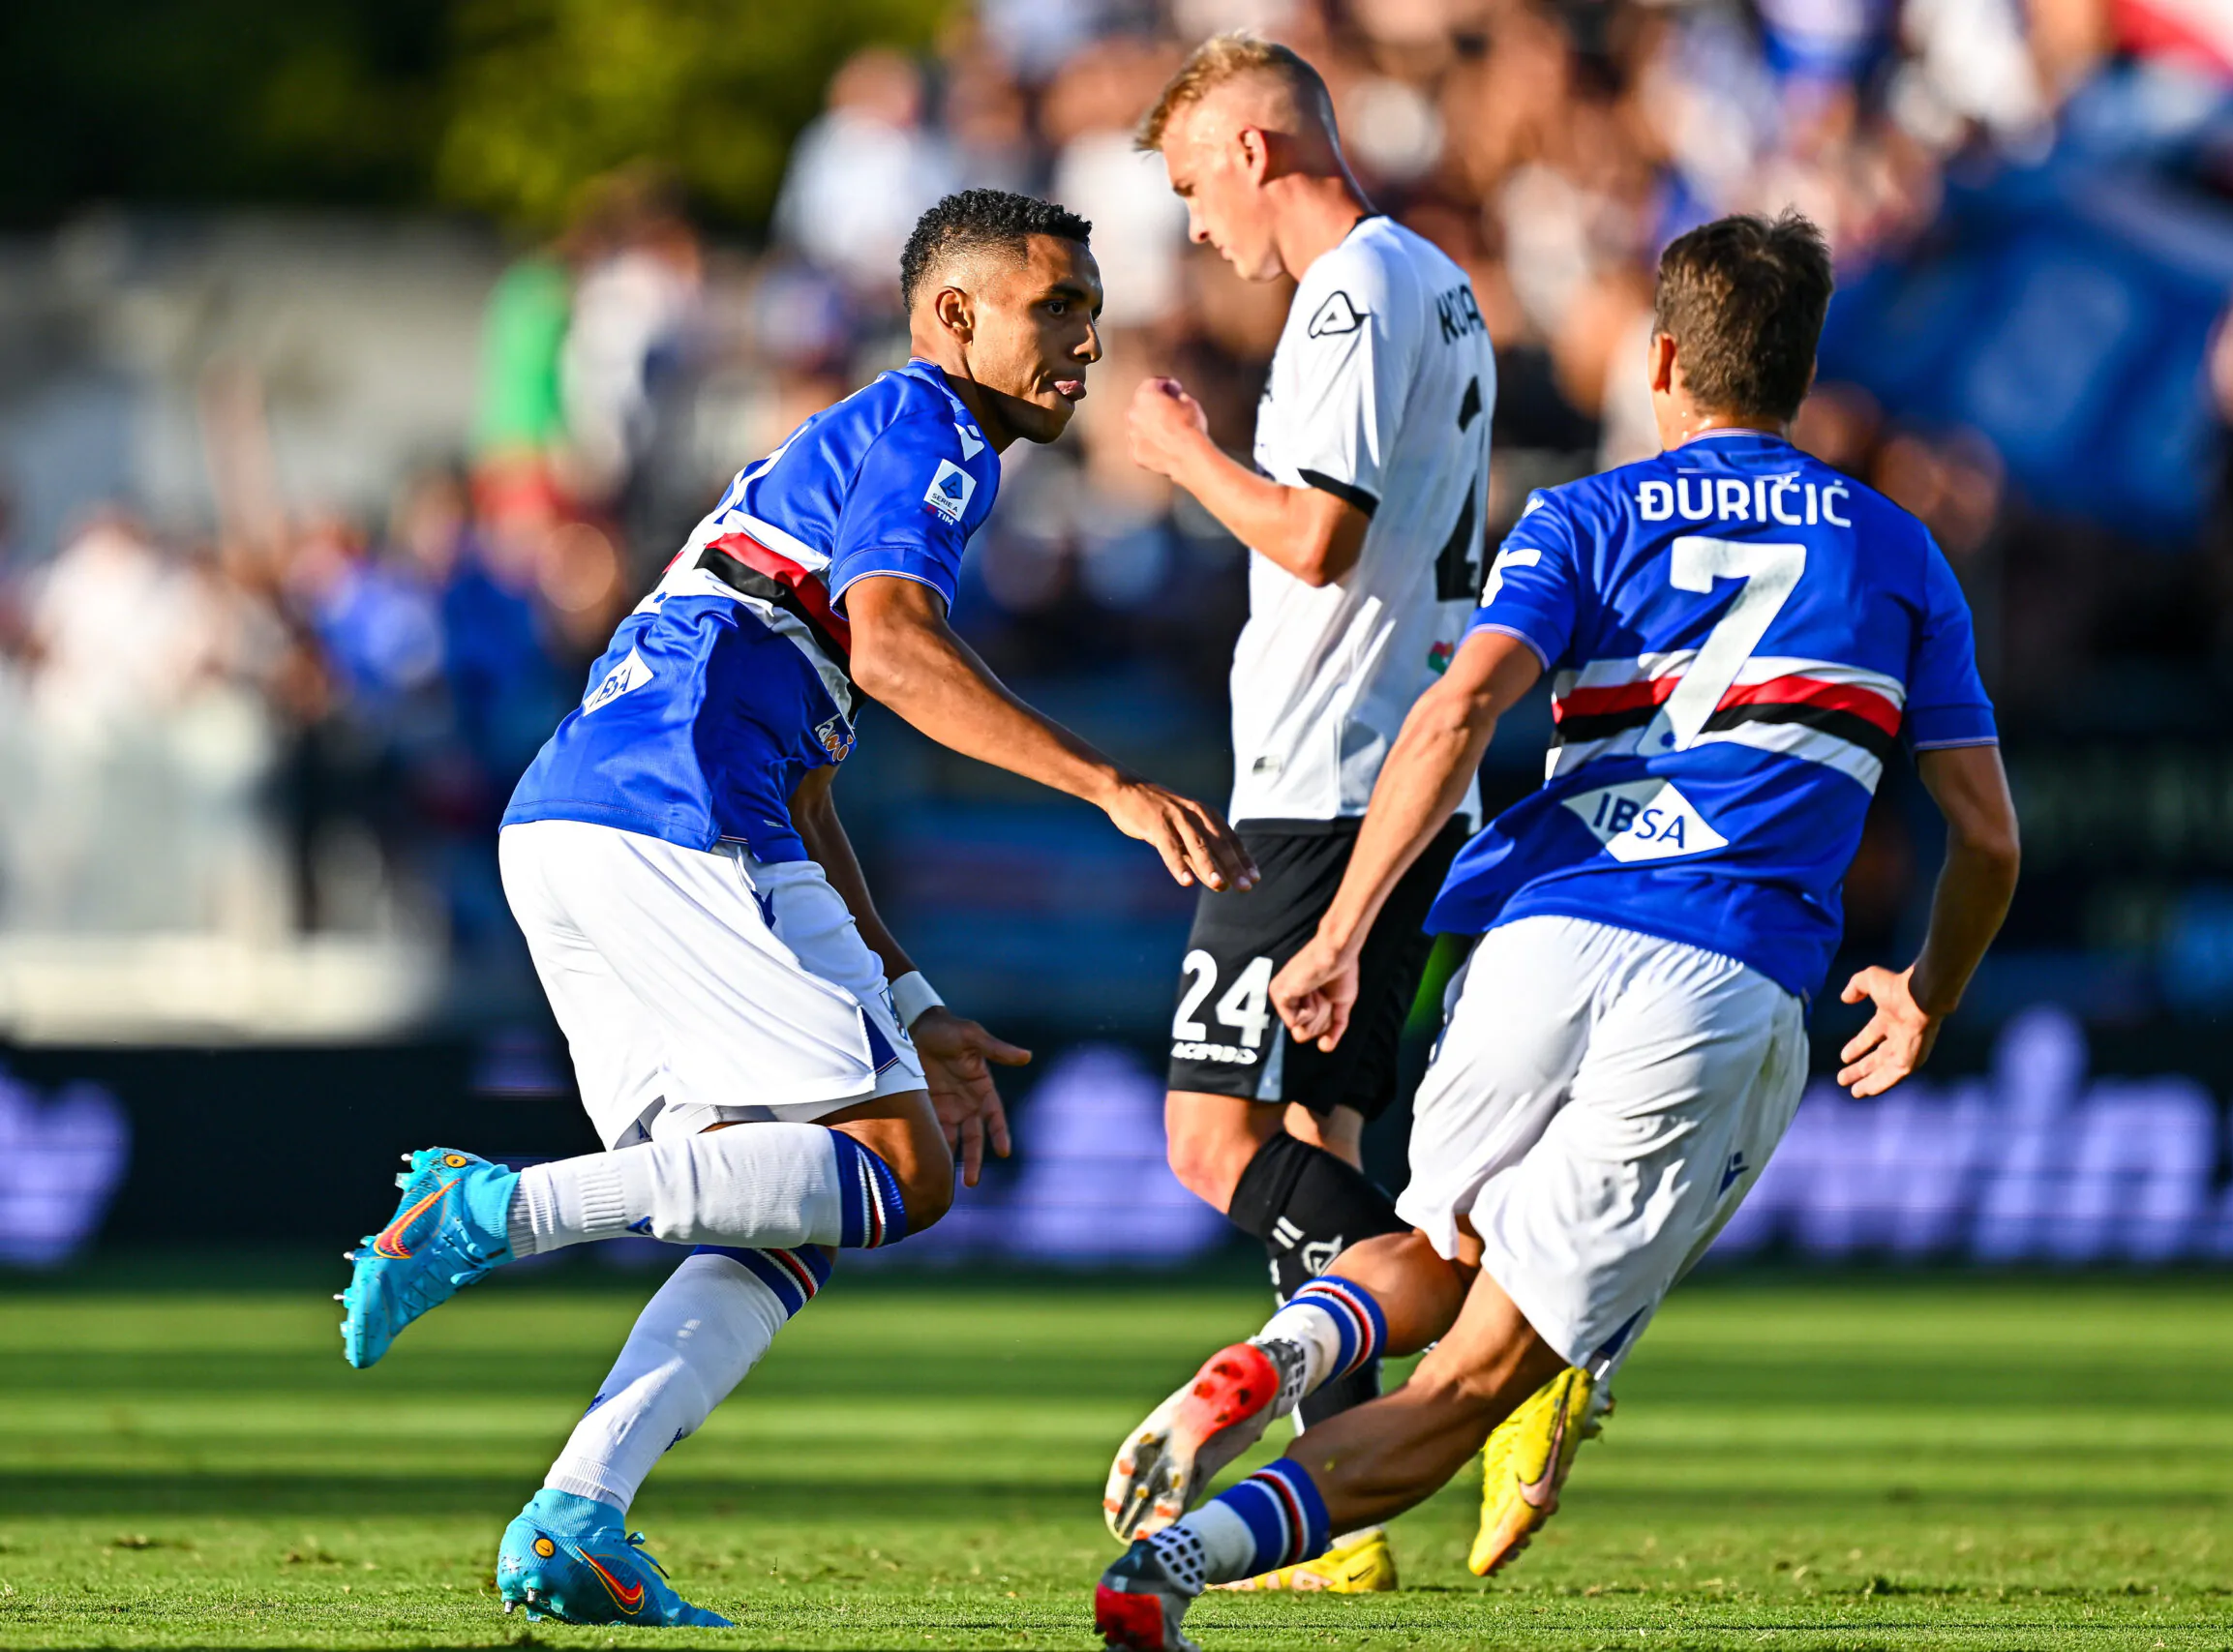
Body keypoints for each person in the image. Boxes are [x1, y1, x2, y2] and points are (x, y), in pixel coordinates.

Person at [1092, 211, 2021, 1652]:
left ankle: (1276, 1349)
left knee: (1433, 1244)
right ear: (1803, 368)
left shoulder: (1584, 515)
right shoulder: (1898, 552)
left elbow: (1456, 711)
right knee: (1472, 1381)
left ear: (1662, 359)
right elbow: (1989, 834)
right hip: (1724, 968)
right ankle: (1173, 1565)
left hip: (1538, 939)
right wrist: (1927, 992)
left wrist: (1342, 928)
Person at [333, 189, 1253, 1631]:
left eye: (1090, 307)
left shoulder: (844, 455)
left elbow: (816, 791)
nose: (1084, 339)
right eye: (1053, 308)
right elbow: (892, 648)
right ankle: (495, 1208)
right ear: (955, 320)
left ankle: (578, 1510)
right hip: (668, 809)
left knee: (793, 1210)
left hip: (617, 815)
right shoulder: (930, 429)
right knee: (903, 1170)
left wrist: (913, 1002)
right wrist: (1108, 783)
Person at [1101, 35, 1499, 1596]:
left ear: (1261, 149)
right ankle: (1350, 1518)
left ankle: (1498, 1345)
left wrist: (1186, 453)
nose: (1201, 225)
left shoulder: (1348, 290)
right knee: (1316, 1133)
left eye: (1199, 183)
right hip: (1398, 775)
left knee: (1211, 1139)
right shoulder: (1439, 280)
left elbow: (1319, 537)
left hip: (1328, 780)